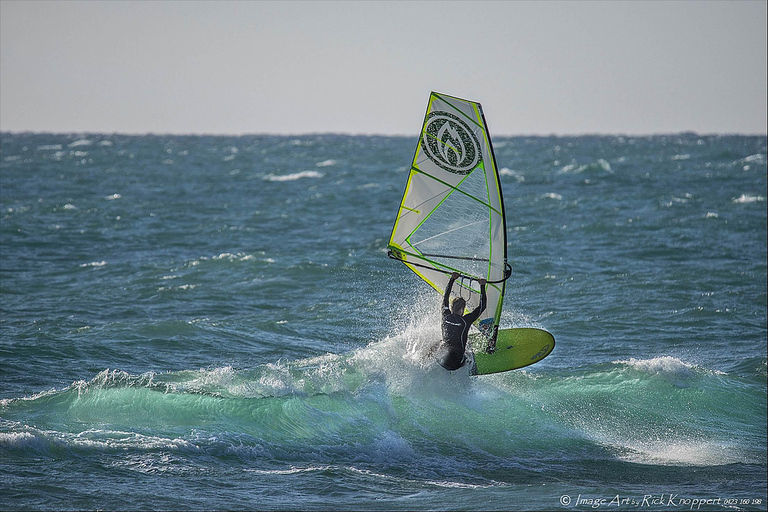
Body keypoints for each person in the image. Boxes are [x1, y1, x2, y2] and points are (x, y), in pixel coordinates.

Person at [427, 272, 487, 371]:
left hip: (442, 361)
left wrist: (452, 279)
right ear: (462, 309)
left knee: (439, 343)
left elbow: (445, 297)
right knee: (468, 348)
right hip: (456, 363)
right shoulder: (466, 320)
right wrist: (482, 286)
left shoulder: (445, 315)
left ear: (451, 307)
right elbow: (482, 306)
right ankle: (470, 365)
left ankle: (426, 359)